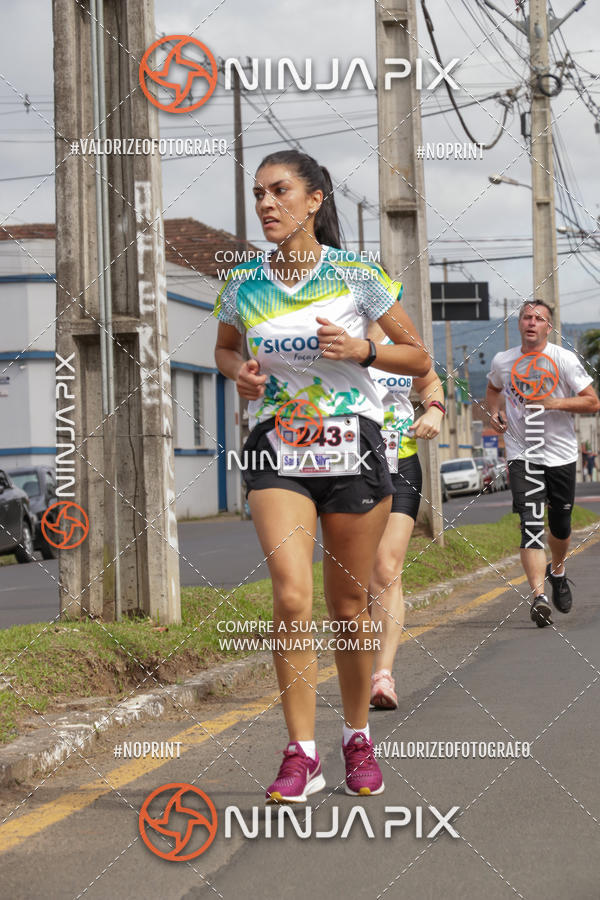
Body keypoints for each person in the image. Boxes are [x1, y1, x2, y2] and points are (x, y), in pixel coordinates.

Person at [214, 149, 430, 802]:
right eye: (257, 194)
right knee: (290, 596)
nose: (265, 204)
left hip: (353, 448)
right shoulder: (243, 284)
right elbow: (225, 349)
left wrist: (363, 348)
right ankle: (300, 752)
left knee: (348, 606)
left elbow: (416, 357)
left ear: (314, 200)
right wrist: (239, 373)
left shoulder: (358, 276)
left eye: (279, 191)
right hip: (278, 447)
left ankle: (356, 736)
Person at [485, 300, 599, 627]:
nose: (531, 322)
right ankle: (539, 597)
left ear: (549, 327)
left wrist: (554, 402)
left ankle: (558, 570)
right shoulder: (503, 361)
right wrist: (495, 412)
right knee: (531, 524)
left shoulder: (563, 360)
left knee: (560, 526)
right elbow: (493, 389)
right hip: (524, 452)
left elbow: (592, 402)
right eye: (526, 317)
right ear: (519, 323)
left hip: (561, 454)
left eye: (539, 318)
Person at [367, 321, 446, 709]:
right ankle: (363, 657)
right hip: (346, 467)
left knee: (386, 567)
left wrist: (434, 409)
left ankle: (383, 676)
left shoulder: (396, 340)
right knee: (358, 578)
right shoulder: (328, 331)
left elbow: (430, 380)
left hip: (401, 463)